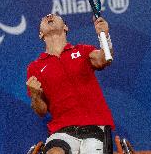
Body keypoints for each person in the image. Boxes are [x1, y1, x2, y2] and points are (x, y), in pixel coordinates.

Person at [26, 14, 115, 154]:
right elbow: (41, 111)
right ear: (40, 34)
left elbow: (104, 59)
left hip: (95, 125)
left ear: (65, 27)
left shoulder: (82, 51)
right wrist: (36, 96)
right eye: (44, 18)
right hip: (61, 130)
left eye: (55, 15)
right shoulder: (35, 68)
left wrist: (104, 35)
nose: (49, 16)